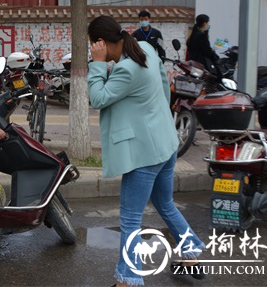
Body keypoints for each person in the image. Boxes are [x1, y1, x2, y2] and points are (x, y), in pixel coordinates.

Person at [87, 16, 205, 287]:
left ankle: (128, 279)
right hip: (165, 144)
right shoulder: (146, 49)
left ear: (101, 43)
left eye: (93, 45)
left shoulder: (126, 69)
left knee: (130, 219)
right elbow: (164, 88)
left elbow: (98, 98)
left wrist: (97, 64)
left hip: (144, 155)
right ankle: (190, 254)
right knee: (164, 203)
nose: (93, 49)